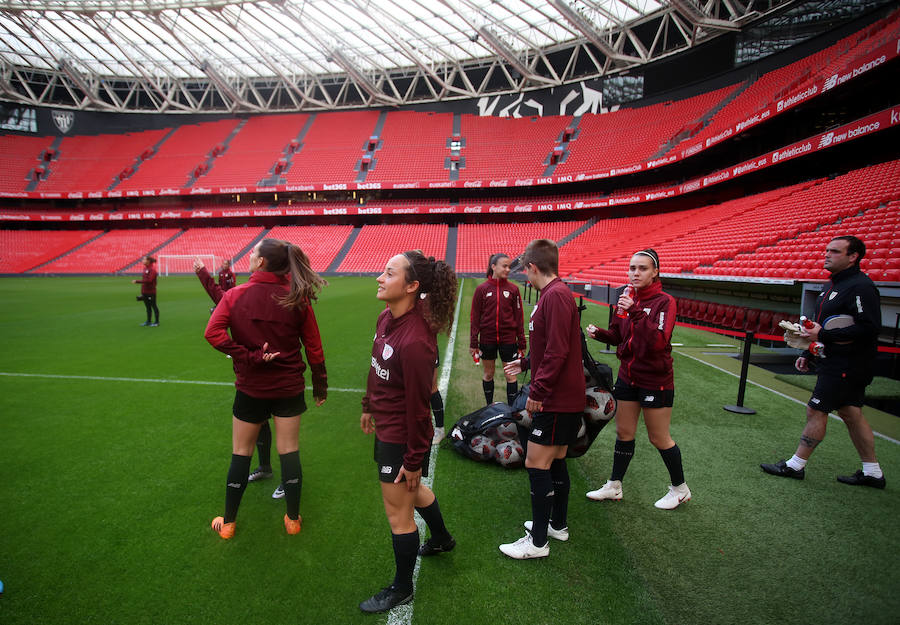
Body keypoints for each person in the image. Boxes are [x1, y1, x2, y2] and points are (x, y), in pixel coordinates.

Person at [204, 239, 327, 539]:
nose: (249, 256)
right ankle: (293, 519)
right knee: (289, 450)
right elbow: (314, 346)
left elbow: (212, 333)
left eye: (253, 253)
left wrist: (248, 356)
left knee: (240, 453)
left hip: (251, 388)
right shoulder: (297, 298)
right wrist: (320, 384)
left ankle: (229, 523)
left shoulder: (235, 295)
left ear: (261, 262)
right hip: (289, 387)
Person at [359, 251, 457, 613]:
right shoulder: (387, 316)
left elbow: (420, 410)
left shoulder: (416, 341)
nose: (379, 278)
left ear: (412, 286)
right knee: (413, 495)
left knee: (397, 511)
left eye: (388, 273)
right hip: (386, 424)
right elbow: (376, 369)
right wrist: (369, 405)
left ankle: (401, 587)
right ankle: (443, 538)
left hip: (400, 436)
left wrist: (414, 460)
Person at [761, 235, 885, 488]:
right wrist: (809, 352)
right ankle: (873, 472)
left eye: (835, 251)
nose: (827, 254)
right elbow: (817, 328)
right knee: (851, 413)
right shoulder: (833, 286)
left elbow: (869, 328)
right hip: (835, 362)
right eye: (827, 250)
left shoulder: (861, 287)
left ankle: (796, 465)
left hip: (847, 365)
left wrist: (823, 336)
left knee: (816, 410)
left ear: (853, 257)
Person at [584, 249, 690, 510]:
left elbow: (658, 342)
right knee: (624, 433)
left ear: (655, 272)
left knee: (658, 437)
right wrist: (600, 334)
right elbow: (620, 336)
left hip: (656, 379)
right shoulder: (626, 297)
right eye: (632, 268)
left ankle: (680, 489)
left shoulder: (664, 302)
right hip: (627, 375)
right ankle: (614, 485)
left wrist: (635, 312)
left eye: (642, 268)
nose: (635, 273)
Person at [499, 239, 583, 559]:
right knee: (555, 459)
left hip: (558, 399)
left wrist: (538, 391)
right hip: (561, 398)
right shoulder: (554, 295)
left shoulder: (557, 296)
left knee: (537, 462)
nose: (524, 277)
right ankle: (555, 525)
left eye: (525, 271)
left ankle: (536, 543)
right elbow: (548, 346)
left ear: (532, 267)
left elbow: (559, 351)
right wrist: (525, 363)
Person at [193, 256, 282, 499]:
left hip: (277, 372)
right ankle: (265, 467)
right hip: (251, 374)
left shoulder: (278, 295)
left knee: (285, 431)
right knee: (262, 422)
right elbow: (221, 297)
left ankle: (289, 481)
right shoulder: (239, 296)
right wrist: (203, 274)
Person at [470, 253, 527, 406]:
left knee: (511, 376)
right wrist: (474, 343)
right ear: (493, 267)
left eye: (509, 266)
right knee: (488, 374)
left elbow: (519, 317)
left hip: (508, 340)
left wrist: (521, 342)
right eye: (505, 266)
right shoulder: (481, 289)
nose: (508, 269)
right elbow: (475, 318)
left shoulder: (513, 290)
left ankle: (512, 411)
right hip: (487, 340)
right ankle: (489, 406)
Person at [132, 255, 159, 326]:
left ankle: (156, 322)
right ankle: (148, 321)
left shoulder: (152, 270)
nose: (142, 261)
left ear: (148, 261)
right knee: (147, 307)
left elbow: (149, 280)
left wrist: (137, 281)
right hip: (145, 291)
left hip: (151, 292)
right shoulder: (145, 269)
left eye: (144, 259)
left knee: (154, 306)